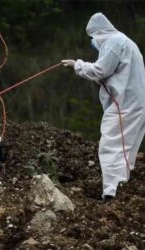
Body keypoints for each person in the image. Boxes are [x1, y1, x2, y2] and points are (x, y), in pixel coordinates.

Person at [62, 13, 145, 201]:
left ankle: (111, 193)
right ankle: (121, 190)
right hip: (135, 104)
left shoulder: (114, 41)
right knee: (125, 150)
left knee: (110, 146)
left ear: (97, 33)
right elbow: (108, 76)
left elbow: (100, 70)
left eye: (92, 39)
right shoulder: (127, 42)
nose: (93, 43)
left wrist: (77, 65)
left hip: (125, 105)